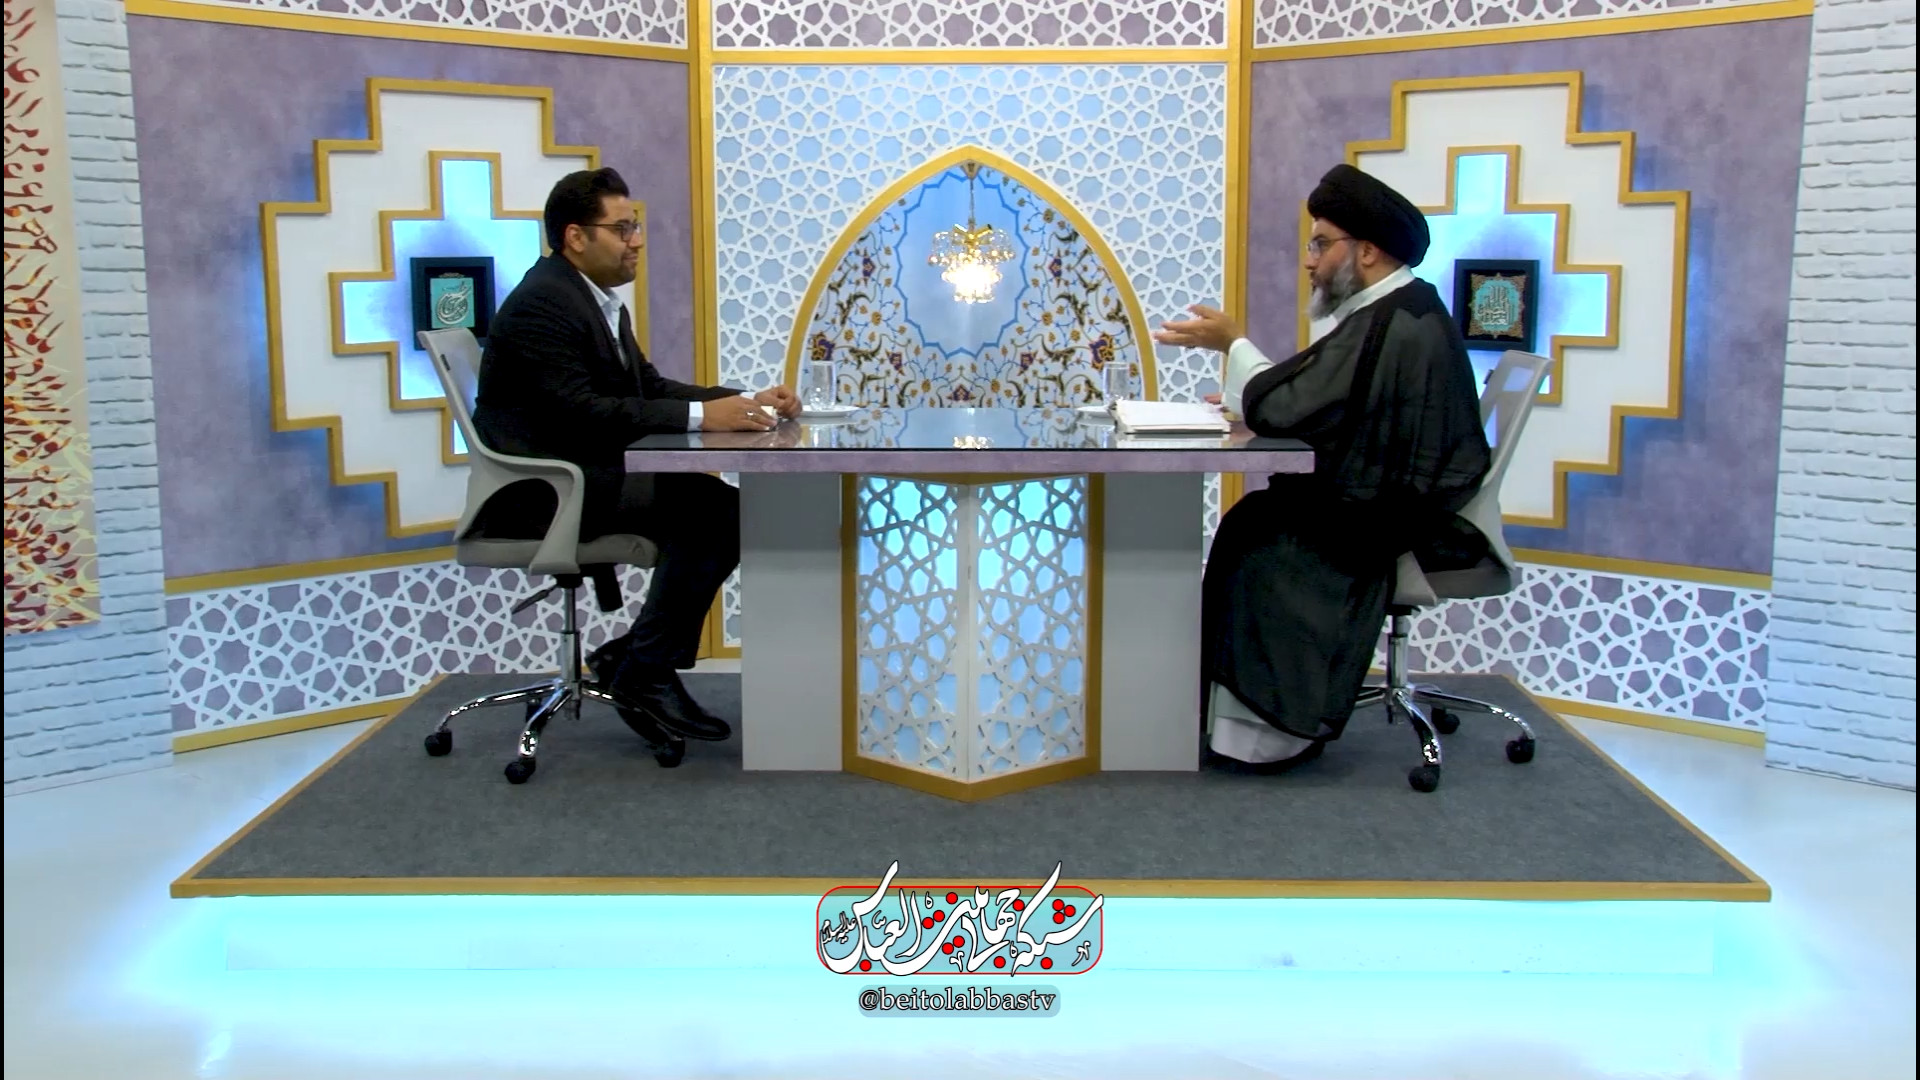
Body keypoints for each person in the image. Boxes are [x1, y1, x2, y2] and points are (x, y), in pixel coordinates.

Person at [1152, 164, 1491, 772]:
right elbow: (1332, 402)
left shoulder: (1395, 320)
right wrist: (1247, 399)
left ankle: (1271, 733)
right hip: (1384, 503)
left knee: (1267, 541)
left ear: (1366, 251)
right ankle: (1230, 723)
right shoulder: (1392, 311)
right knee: (1252, 519)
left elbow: (1293, 403)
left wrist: (1234, 344)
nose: (1309, 261)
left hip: (1389, 523)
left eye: (1320, 244)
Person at [472, 167, 799, 746]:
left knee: (713, 506)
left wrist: (745, 401)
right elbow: (580, 411)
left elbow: (648, 388)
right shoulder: (542, 304)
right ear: (576, 236)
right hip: (546, 491)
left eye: (636, 226)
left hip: (586, 475)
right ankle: (644, 669)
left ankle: (633, 660)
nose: (638, 240)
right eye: (622, 229)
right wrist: (703, 418)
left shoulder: (593, 300)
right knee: (716, 512)